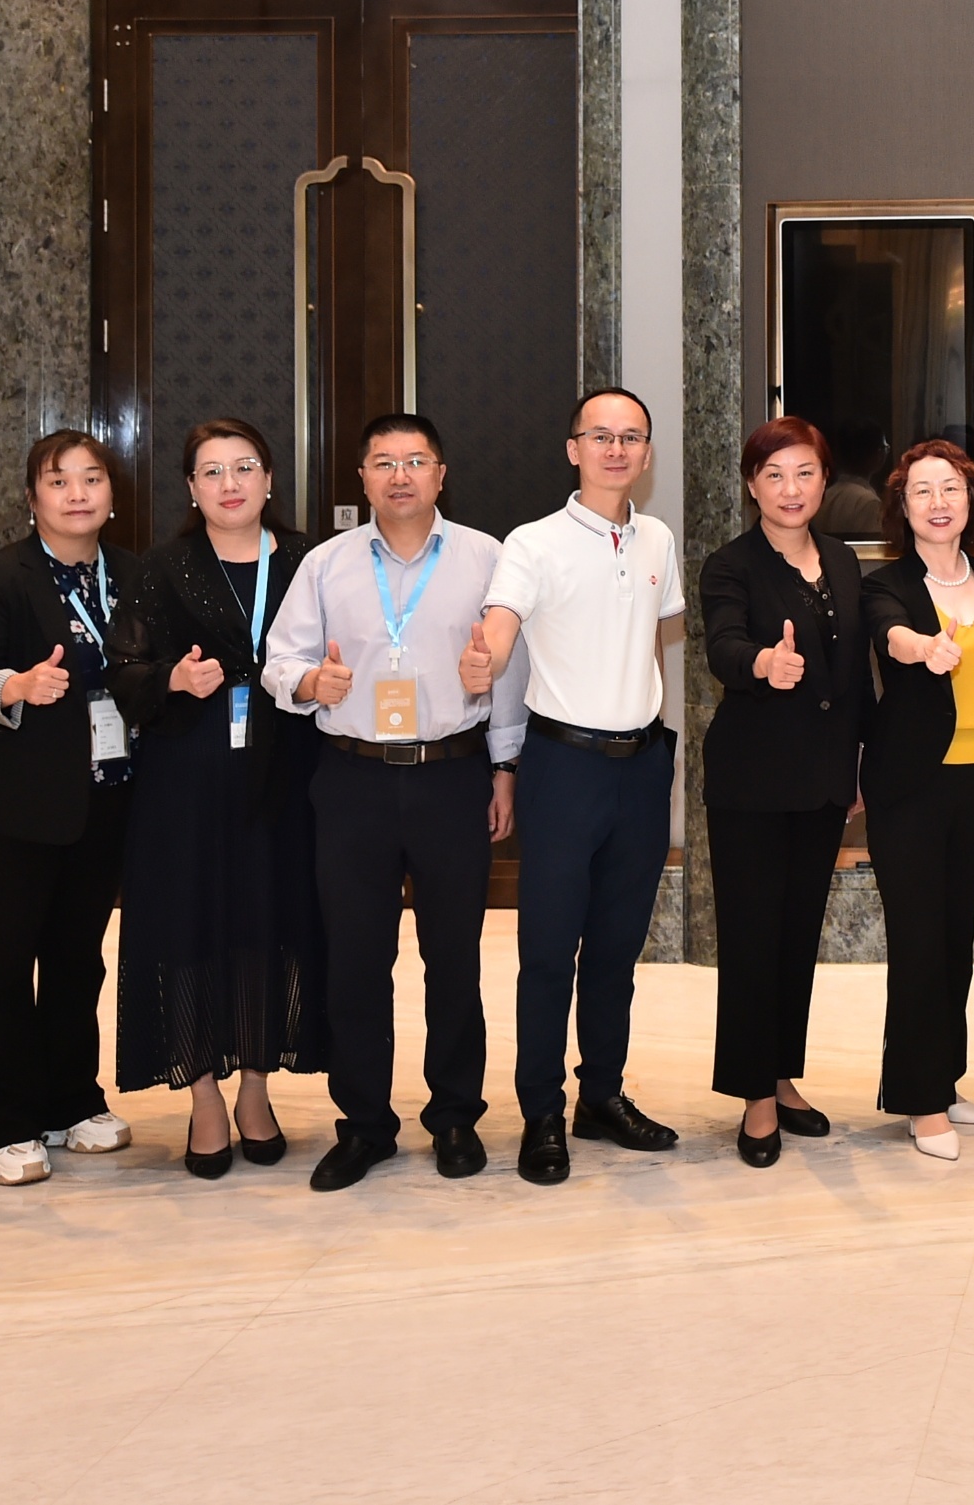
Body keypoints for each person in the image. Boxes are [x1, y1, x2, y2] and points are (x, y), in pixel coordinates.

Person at [258, 413, 527, 1192]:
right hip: (354, 779)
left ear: (441, 473)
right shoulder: (326, 563)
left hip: (452, 775)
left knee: (455, 958)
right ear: (363, 477)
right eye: (384, 462)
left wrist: (505, 768)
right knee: (355, 960)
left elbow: (510, 672)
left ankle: (455, 1116)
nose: (400, 475)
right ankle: (365, 1124)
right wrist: (312, 682)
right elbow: (279, 660)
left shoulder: (487, 558)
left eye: (415, 461)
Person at [477, 389, 687, 1185]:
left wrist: (654, 726)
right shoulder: (533, 542)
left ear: (646, 452)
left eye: (631, 437)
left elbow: (652, 639)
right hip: (563, 767)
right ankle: (541, 1110)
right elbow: (501, 628)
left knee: (617, 948)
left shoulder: (657, 537)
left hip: (642, 766)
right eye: (601, 435)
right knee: (548, 950)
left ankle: (601, 1094)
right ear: (574, 448)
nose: (616, 448)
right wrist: (485, 656)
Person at [113, 419, 329, 1179]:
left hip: (287, 772)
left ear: (269, 479)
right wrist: (171, 677)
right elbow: (123, 668)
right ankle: (202, 1091)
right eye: (211, 471)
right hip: (187, 776)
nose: (229, 484)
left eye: (244, 468)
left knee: (271, 917)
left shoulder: (307, 559)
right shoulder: (162, 566)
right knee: (191, 920)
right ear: (191, 488)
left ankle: (256, 1088)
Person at [0, 431, 150, 1186]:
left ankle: (72, 1101)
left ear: (113, 495)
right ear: (32, 498)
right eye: (58, 481)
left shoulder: (134, 574)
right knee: (4, 964)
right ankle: (4, 1124)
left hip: (106, 799)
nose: (76, 493)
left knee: (76, 960)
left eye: (91, 478)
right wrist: (17, 685)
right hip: (13, 809)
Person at [698, 417, 870, 1167]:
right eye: (774, 475)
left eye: (804, 473)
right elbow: (723, 645)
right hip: (754, 780)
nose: (790, 489)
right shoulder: (730, 565)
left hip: (825, 778)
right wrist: (763, 664)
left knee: (798, 936)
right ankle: (755, 1097)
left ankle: (781, 1073)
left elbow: (856, 675)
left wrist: (858, 761)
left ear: (824, 480)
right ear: (752, 485)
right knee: (752, 939)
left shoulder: (843, 559)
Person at [861, 439, 974, 1160]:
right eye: (921, 490)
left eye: (950, 487)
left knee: (956, 937)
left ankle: (944, 1076)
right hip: (912, 786)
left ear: (970, 498)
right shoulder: (888, 582)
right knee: (918, 941)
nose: (938, 501)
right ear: (902, 506)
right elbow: (890, 636)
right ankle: (920, 1099)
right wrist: (924, 647)